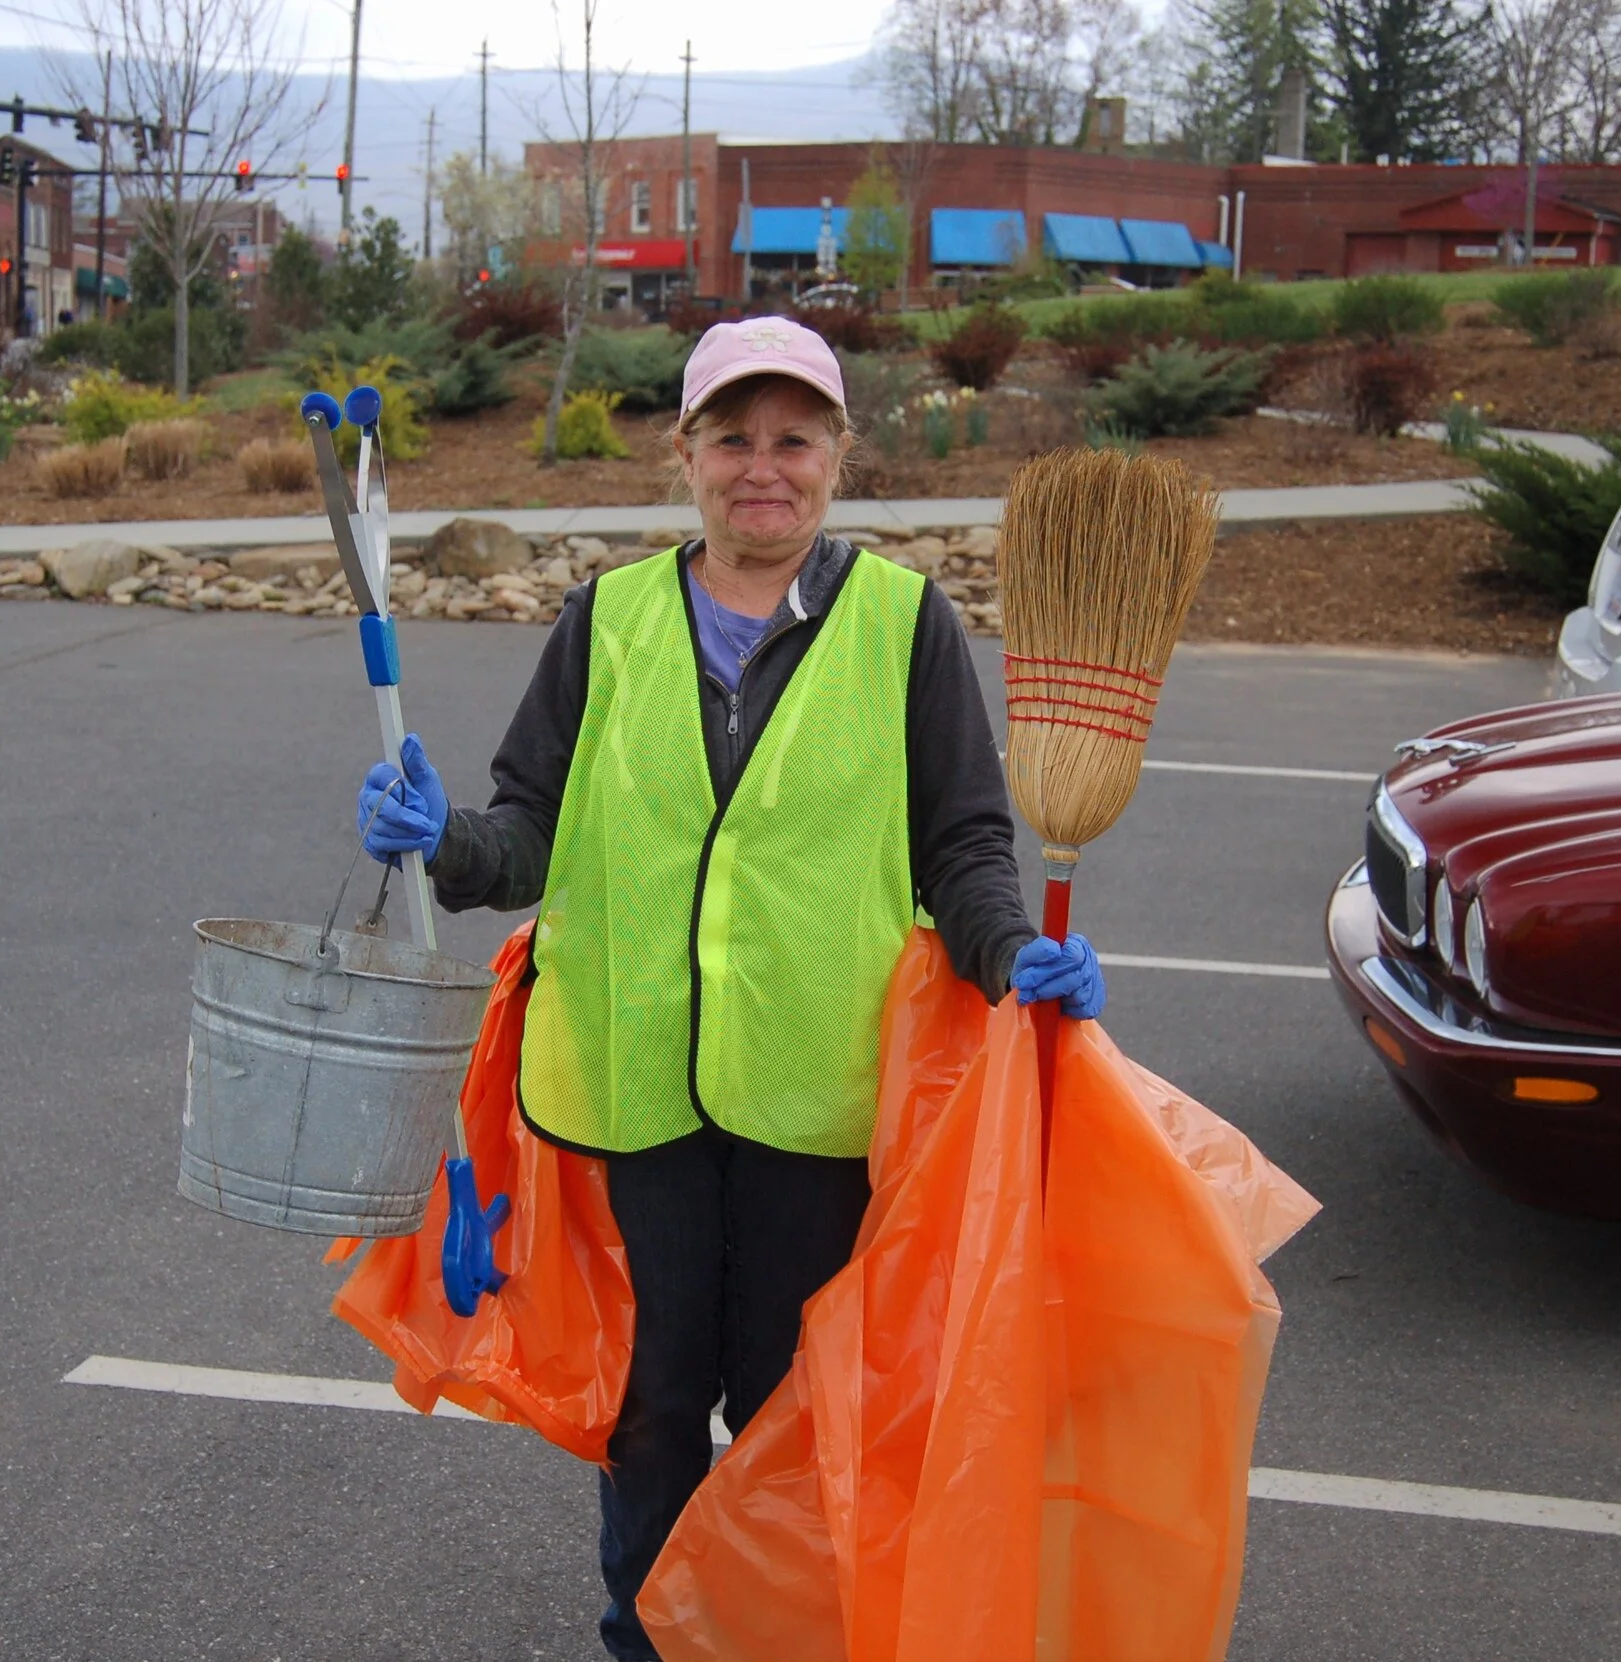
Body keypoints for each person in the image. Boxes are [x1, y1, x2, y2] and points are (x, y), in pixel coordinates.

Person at [356, 316, 1105, 1661]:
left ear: (837, 456)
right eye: (734, 439)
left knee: (783, 1412)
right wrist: (442, 837)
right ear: (686, 453)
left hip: (813, 1111)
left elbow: (964, 845)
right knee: (647, 1410)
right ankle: (645, 1636)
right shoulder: (611, 620)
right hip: (631, 1096)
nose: (765, 467)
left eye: (795, 439)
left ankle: (762, 1635)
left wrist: (1009, 954)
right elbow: (527, 827)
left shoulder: (900, 623)